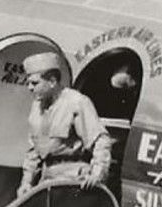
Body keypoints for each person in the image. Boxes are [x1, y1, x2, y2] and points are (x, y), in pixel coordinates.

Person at [17, 47, 113, 195]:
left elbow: (101, 140)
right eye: (28, 83)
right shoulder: (37, 106)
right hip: (47, 179)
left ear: (52, 82)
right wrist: (26, 182)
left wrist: (97, 174)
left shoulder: (76, 102)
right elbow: (33, 151)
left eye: (34, 83)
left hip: (73, 180)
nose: (30, 88)